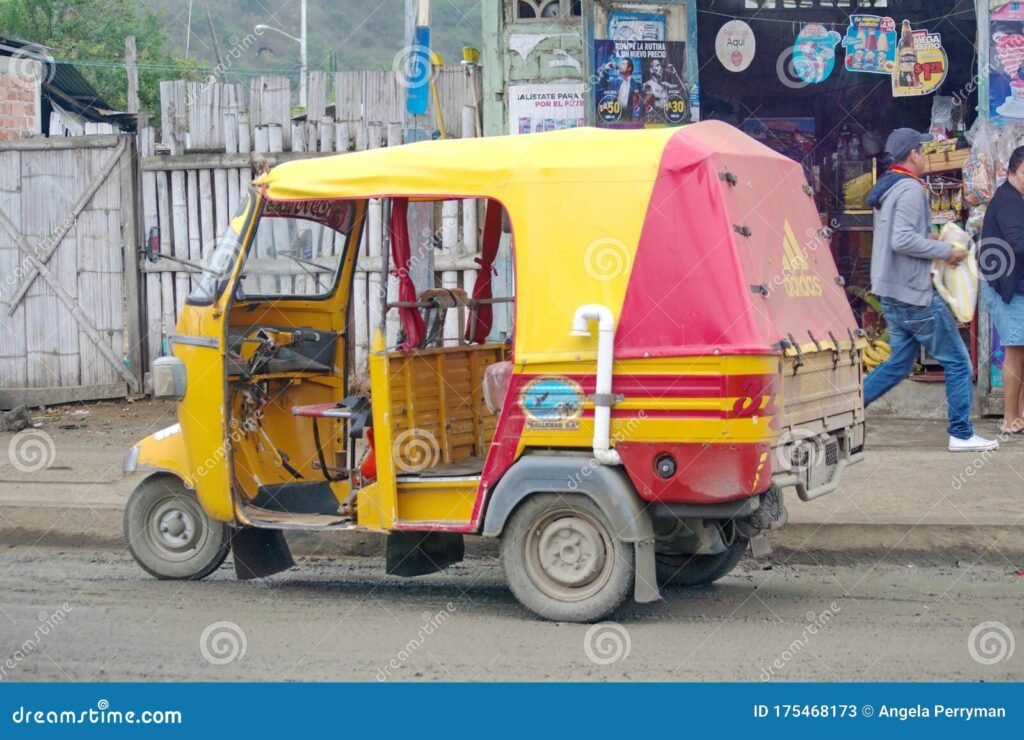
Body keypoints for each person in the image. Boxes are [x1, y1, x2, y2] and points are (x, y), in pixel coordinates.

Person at [864, 128, 998, 452]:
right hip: (914, 295)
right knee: (957, 361)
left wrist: (933, 243)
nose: (927, 156)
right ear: (913, 154)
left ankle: (844, 412)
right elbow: (902, 240)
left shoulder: (888, 187)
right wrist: (946, 252)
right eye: (924, 150)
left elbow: (899, 238)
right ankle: (961, 433)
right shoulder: (910, 189)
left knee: (897, 364)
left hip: (893, 294)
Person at [980, 145, 1024, 433]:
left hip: (1013, 285)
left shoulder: (1016, 197)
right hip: (1005, 288)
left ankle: (1019, 416)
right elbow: (1018, 243)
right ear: (1011, 171)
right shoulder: (1008, 201)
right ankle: (1010, 419)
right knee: (1016, 350)